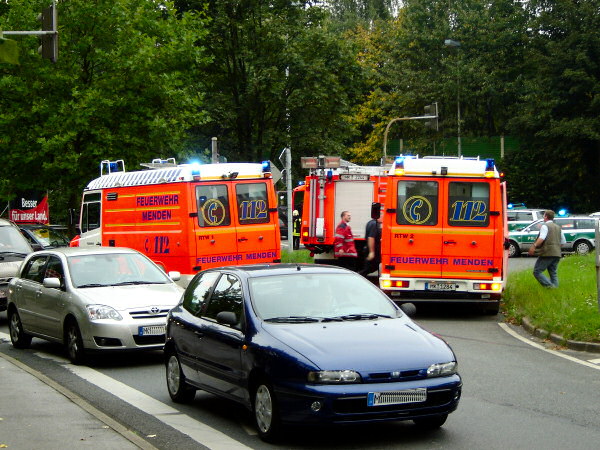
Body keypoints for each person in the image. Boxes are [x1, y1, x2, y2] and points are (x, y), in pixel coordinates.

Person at [527, 210, 566, 288]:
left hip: (547, 253)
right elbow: (563, 241)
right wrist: (555, 248)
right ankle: (556, 288)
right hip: (557, 253)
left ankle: (551, 287)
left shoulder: (545, 226)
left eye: (544, 215)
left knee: (537, 271)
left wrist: (534, 246)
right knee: (553, 272)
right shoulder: (558, 227)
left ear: (546, 217)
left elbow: (542, 238)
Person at [359, 204, 382, 277]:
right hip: (372, 249)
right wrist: (372, 252)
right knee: (368, 269)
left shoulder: (371, 222)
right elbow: (371, 238)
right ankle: (359, 277)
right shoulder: (374, 224)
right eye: (382, 216)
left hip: (370, 249)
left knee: (371, 267)